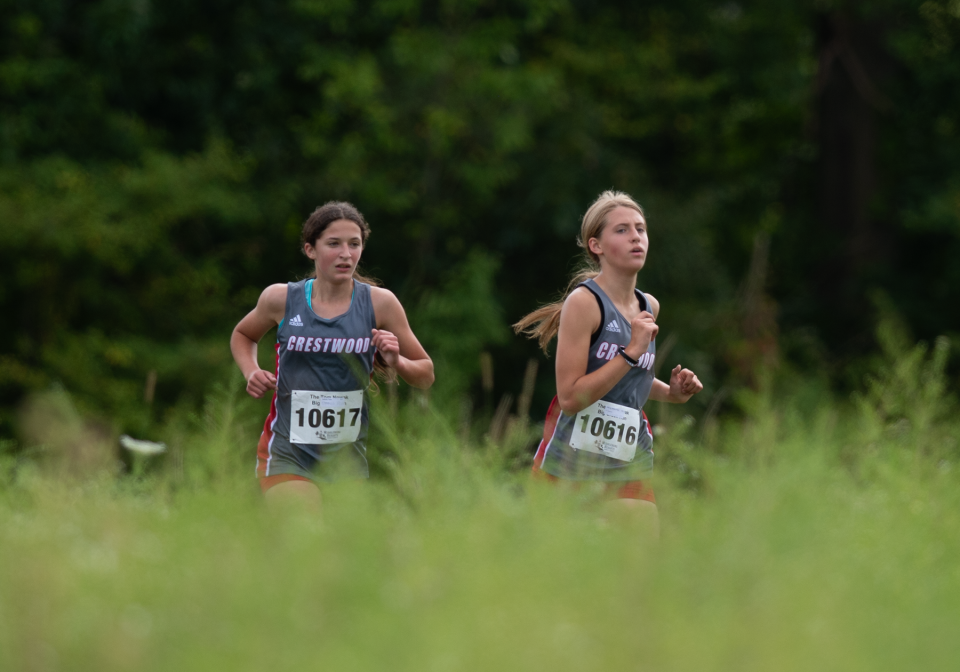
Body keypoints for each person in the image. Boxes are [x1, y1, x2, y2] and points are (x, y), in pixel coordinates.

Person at [514, 190, 703, 535]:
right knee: (562, 575)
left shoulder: (649, 306)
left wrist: (672, 392)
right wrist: (630, 351)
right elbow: (571, 398)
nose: (635, 237)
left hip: (627, 457)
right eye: (622, 230)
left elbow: (631, 382)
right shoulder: (584, 303)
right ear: (595, 246)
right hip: (570, 459)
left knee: (639, 569)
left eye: (641, 229)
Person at [230, 202, 434, 509]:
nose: (346, 254)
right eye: (334, 244)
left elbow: (426, 374)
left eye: (355, 244)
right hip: (287, 451)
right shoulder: (281, 299)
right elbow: (243, 335)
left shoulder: (381, 304)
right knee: (303, 530)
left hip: (345, 461)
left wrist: (397, 361)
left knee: (337, 553)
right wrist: (251, 371)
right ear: (310, 249)